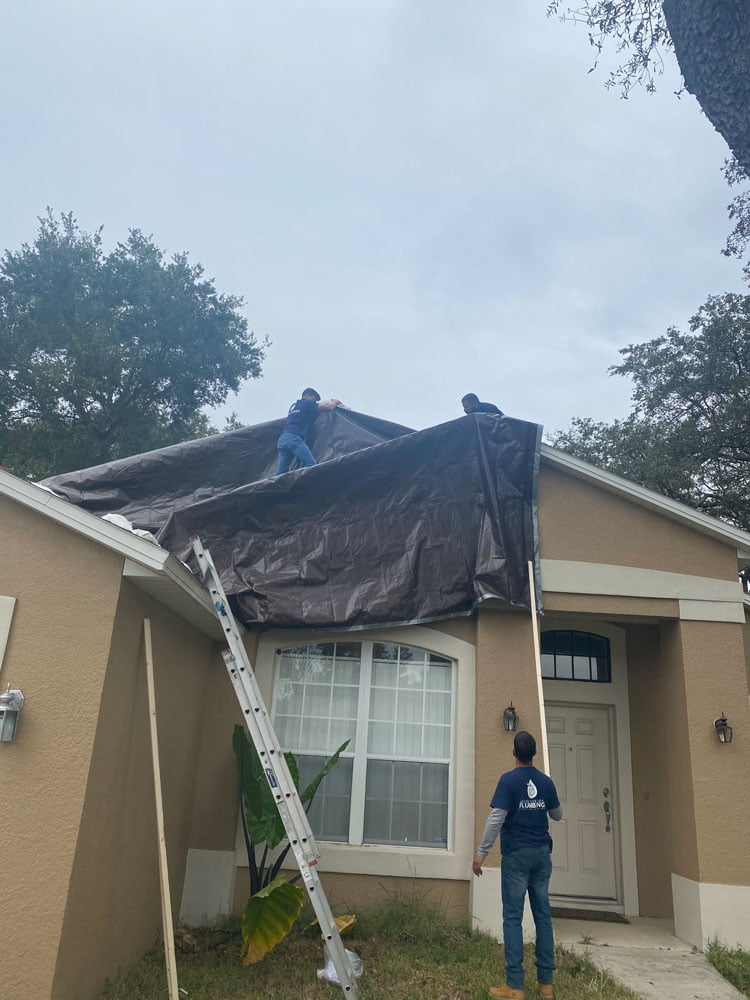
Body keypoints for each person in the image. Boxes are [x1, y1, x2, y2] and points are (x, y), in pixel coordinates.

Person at [472, 731, 562, 1000]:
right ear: (534, 753)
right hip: (541, 855)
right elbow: (557, 815)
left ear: (514, 753)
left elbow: (496, 819)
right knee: (543, 916)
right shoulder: (545, 782)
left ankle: (514, 986)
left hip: (516, 856)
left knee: (513, 917)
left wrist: (481, 853)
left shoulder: (508, 781)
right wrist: (545, 798)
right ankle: (546, 985)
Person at [276, 388, 340, 475]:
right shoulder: (307, 403)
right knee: (311, 465)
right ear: (308, 396)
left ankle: (278, 488)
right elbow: (329, 408)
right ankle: (305, 487)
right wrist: (335, 402)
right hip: (293, 439)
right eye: (314, 399)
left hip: (283, 440)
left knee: (281, 474)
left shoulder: (295, 405)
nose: (314, 402)